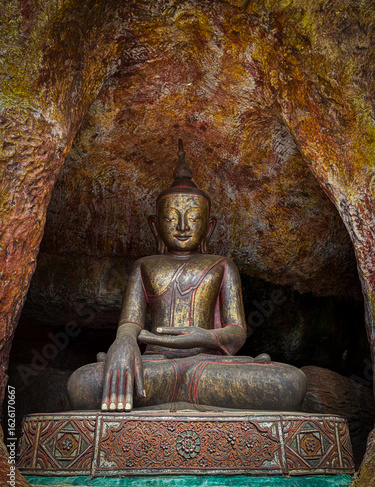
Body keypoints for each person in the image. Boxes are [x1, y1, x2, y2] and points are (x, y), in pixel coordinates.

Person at [67, 140, 306, 412]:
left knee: (290, 382)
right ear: (155, 228)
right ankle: (185, 394)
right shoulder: (145, 265)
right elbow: (130, 323)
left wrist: (203, 337)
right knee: (83, 384)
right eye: (171, 218)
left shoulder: (221, 265)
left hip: (207, 365)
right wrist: (123, 343)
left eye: (193, 218)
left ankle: (177, 393)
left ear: (209, 227)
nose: (182, 227)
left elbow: (237, 331)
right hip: (156, 365)